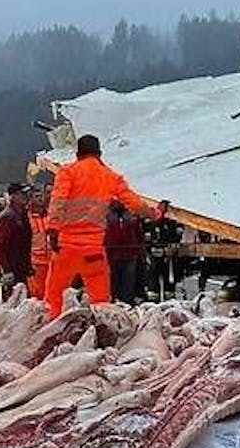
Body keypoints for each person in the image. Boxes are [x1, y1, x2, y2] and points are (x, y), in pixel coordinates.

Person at [42, 134, 167, 317]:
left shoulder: (67, 172)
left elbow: (58, 201)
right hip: (93, 250)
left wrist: (52, 230)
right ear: (100, 153)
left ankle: (50, 331)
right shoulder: (111, 177)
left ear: (77, 154)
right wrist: (157, 213)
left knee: (54, 297)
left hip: (65, 247)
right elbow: (135, 204)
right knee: (101, 301)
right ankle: (102, 333)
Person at [0, 182, 34, 295]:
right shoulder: (6, 217)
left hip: (22, 267)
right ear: (13, 196)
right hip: (12, 268)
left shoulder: (23, 215)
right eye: (22, 194)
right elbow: (1, 246)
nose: (25, 197)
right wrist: (6, 271)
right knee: (13, 304)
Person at [105, 200, 145, 304]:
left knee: (128, 282)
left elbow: (139, 235)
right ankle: (112, 301)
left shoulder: (132, 216)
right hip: (110, 255)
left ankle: (127, 303)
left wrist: (140, 252)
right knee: (112, 281)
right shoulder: (105, 215)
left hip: (129, 255)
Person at [27, 187, 51, 300]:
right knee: (37, 294)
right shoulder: (27, 219)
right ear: (30, 199)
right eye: (36, 197)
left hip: (51, 260)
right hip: (35, 262)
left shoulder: (50, 216)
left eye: (41, 196)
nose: (40, 199)